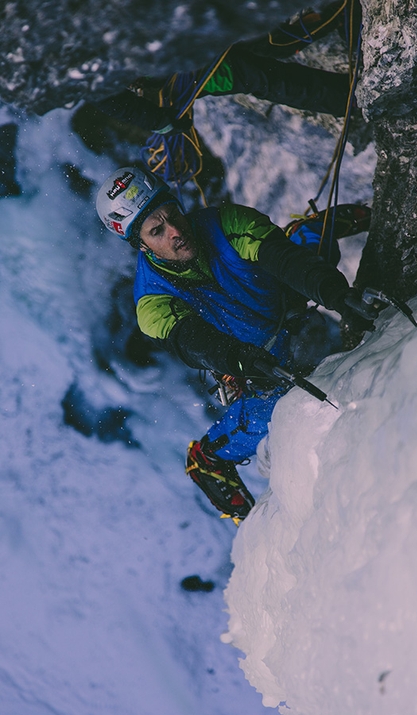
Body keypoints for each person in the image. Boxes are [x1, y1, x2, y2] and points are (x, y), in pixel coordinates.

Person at [96, 166, 372, 522]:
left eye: (173, 215)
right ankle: (208, 458)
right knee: (270, 411)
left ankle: (308, 232)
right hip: (249, 354)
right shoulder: (151, 301)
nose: (176, 231)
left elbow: (279, 258)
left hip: (281, 299)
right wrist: (237, 361)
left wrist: (332, 291)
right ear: (141, 244)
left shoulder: (226, 222)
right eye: (157, 230)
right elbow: (194, 341)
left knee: (308, 256)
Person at [92, 0, 361, 141]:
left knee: (268, 70)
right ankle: (354, 94)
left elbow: (111, 100)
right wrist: (159, 122)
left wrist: (161, 122)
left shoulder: (74, 63)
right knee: (269, 51)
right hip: (188, 52)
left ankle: (354, 98)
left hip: (186, 57)